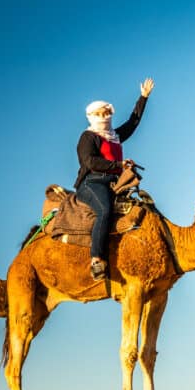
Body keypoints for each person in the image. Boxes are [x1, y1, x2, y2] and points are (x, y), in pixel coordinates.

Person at [74, 77, 154, 280]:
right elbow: (90, 161)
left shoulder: (114, 136)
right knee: (105, 209)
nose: (104, 117)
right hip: (91, 182)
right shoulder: (88, 137)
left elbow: (133, 122)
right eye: (100, 114)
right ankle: (96, 260)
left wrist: (143, 97)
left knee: (144, 209)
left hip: (114, 183)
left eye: (107, 113)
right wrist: (118, 165)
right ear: (92, 116)